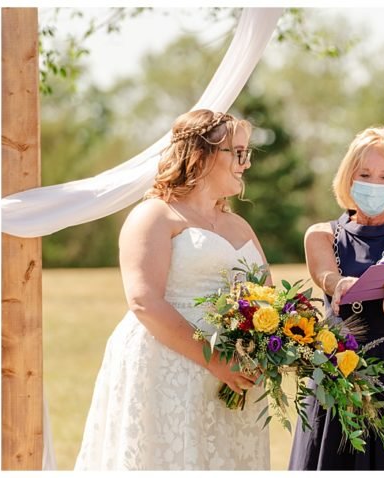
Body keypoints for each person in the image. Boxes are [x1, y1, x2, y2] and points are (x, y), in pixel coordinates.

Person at [75, 110, 270, 469]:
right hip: (167, 366)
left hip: (235, 375)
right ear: (203, 153)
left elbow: (269, 299)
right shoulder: (155, 215)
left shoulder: (239, 225)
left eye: (247, 153)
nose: (246, 163)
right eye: (237, 152)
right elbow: (143, 300)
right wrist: (214, 360)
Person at [289, 125, 384, 470]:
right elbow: (325, 275)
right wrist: (338, 284)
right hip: (334, 369)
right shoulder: (321, 234)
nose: (374, 183)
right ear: (348, 178)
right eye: (365, 174)